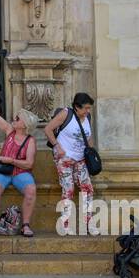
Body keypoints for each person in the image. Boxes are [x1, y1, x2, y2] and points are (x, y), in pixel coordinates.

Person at [0, 81, 37, 238]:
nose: (14, 118)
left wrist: (10, 161)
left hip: (20, 172)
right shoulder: (9, 131)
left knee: (31, 190)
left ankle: (25, 225)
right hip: (3, 171)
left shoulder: (30, 141)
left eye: (18, 118)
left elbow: (29, 164)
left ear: (24, 125)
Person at [44, 93, 97, 235]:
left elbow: (89, 136)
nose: (87, 111)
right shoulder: (66, 114)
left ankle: (89, 223)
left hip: (81, 159)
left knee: (88, 189)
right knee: (68, 189)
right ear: (76, 107)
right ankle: (65, 224)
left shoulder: (87, 117)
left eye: (89, 108)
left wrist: (91, 152)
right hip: (65, 158)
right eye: (85, 108)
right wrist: (57, 146)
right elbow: (48, 129)